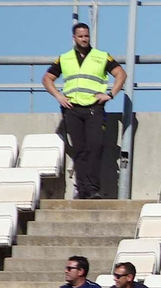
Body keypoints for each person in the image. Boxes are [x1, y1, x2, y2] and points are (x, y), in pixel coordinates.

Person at [43, 22, 125, 199]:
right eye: (80, 36)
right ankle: (83, 189)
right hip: (72, 108)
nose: (84, 39)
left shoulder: (101, 56)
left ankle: (93, 188)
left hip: (94, 107)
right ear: (74, 38)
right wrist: (58, 96)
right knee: (79, 149)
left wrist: (110, 94)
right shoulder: (65, 58)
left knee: (95, 146)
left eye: (86, 36)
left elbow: (121, 73)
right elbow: (47, 78)